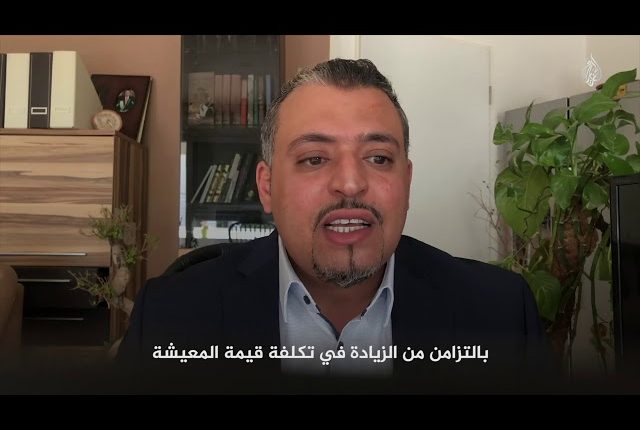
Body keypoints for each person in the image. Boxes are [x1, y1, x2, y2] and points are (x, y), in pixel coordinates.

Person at [116, 59, 553, 393]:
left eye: (378, 158)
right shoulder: (171, 318)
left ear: (406, 182)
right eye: (314, 159)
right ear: (267, 187)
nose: (350, 183)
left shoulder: (500, 314)